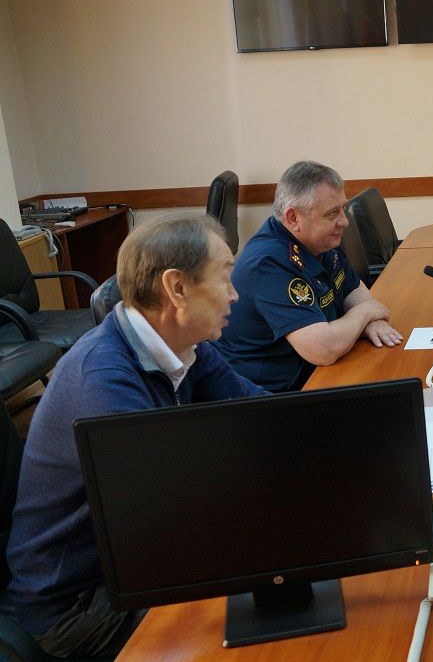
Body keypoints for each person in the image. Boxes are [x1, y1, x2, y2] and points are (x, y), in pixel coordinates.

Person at [5, 214, 265, 658]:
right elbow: (167, 523)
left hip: (137, 562)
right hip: (80, 606)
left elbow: (258, 413)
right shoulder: (103, 382)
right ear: (177, 288)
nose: (235, 293)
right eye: (225, 277)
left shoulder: (185, 344)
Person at [214, 161, 402, 392]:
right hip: (273, 395)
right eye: (332, 213)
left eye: (342, 208)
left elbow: (354, 290)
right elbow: (323, 350)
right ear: (293, 218)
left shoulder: (320, 242)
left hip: (316, 373)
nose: (344, 221)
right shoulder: (268, 263)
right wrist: (365, 314)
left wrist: (369, 320)